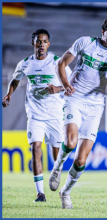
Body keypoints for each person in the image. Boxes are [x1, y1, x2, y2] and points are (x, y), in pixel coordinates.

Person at [49, 16, 107, 209]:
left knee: (81, 159)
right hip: (74, 99)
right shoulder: (85, 42)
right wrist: (66, 85)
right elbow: (61, 64)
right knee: (70, 142)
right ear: (103, 32)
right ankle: (57, 167)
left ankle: (65, 192)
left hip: (96, 106)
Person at [2, 28, 72, 202]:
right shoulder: (25, 63)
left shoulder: (57, 62)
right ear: (33, 43)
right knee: (36, 148)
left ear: (49, 44)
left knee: (57, 154)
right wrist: (9, 93)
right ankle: (40, 194)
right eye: (38, 41)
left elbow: (71, 84)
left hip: (55, 114)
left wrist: (57, 88)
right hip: (34, 113)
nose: (41, 45)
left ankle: (56, 175)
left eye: (44, 41)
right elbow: (15, 79)